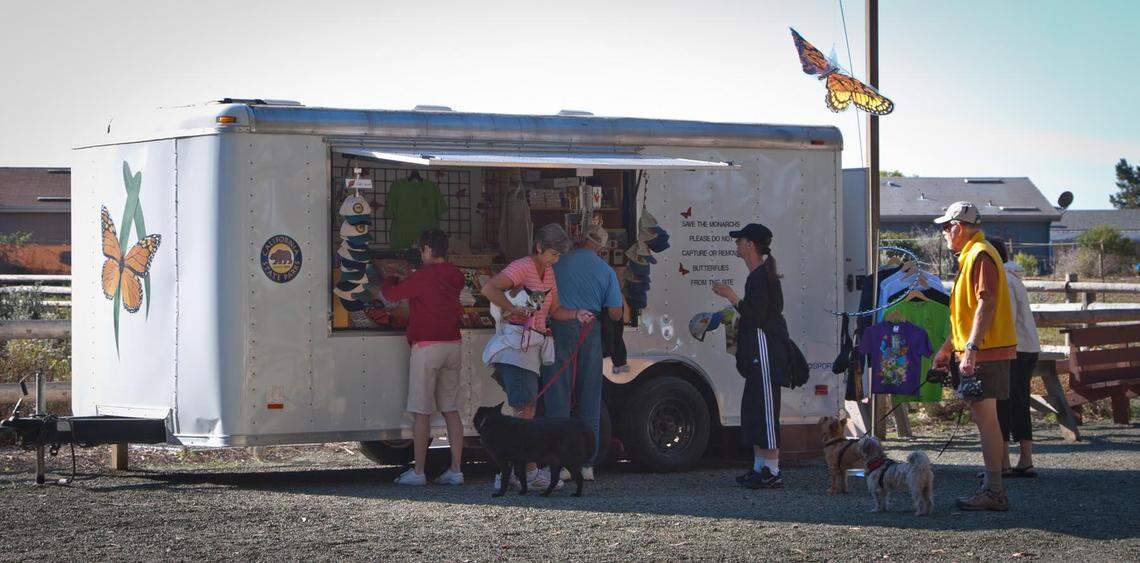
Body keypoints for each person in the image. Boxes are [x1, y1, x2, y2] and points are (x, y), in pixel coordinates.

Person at [931, 202, 1018, 511]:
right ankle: (993, 486)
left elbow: (987, 303)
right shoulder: (975, 254)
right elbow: (969, 314)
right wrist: (947, 349)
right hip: (986, 349)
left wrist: (970, 348)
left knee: (987, 421)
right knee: (987, 421)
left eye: (945, 227)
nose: (943, 233)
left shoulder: (979, 255)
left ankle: (994, 490)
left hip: (986, 352)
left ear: (958, 227)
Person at [481, 223, 572, 489]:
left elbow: (555, 310)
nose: (555, 260)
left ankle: (512, 472)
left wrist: (578, 314)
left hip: (530, 349)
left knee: (525, 410)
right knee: (525, 410)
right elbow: (489, 288)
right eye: (552, 254)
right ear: (539, 248)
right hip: (516, 350)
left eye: (558, 256)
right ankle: (527, 472)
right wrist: (513, 309)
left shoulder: (549, 273)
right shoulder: (522, 266)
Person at [381, 229, 466, 486]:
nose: (420, 254)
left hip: (427, 347)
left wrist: (390, 279)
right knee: (451, 409)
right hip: (453, 343)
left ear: (428, 249)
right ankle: (456, 469)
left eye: (421, 250)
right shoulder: (456, 274)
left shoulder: (422, 276)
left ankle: (418, 472)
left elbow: (390, 297)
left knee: (421, 412)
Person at [712, 223, 790, 490]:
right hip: (758, 349)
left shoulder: (761, 276)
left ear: (750, 245)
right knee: (754, 406)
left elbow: (756, 316)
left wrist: (731, 297)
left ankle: (772, 469)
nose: (736, 245)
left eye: (740, 241)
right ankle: (759, 467)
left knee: (767, 408)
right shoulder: (758, 275)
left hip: (767, 349)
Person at [548, 224, 625, 481]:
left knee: (558, 397)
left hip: (560, 327)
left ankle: (556, 465)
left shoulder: (559, 262)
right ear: (603, 247)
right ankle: (586, 465)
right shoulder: (606, 271)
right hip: (589, 332)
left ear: (581, 239)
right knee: (589, 399)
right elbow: (615, 313)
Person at [990, 238, 1041, 478]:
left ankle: (1004, 462)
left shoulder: (1003, 280)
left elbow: (1005, 320)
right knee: (1019, 401)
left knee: (1004, 402)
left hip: (1013, 348)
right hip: (1025, 346)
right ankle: (1025, 459)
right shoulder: (1012, 278)